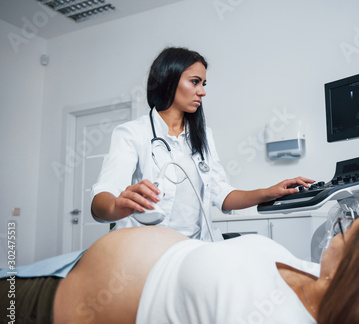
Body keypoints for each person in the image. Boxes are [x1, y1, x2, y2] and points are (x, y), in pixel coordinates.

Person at [0, 213, 359, 324]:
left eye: (344, 231)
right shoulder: (312, 272)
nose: (333, 233)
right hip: (65, 268)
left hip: (54, 310)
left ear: (354, 275)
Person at [90, 46, 313, 240]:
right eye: (195, 82)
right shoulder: (132, 134)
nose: (202, 92)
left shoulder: (203, 136)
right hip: (149, 248)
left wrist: (270, 192)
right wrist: (116, 206)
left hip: (197, 247)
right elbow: (102, 199)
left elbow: (222, 195)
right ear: (169, 80)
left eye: (203, 83)